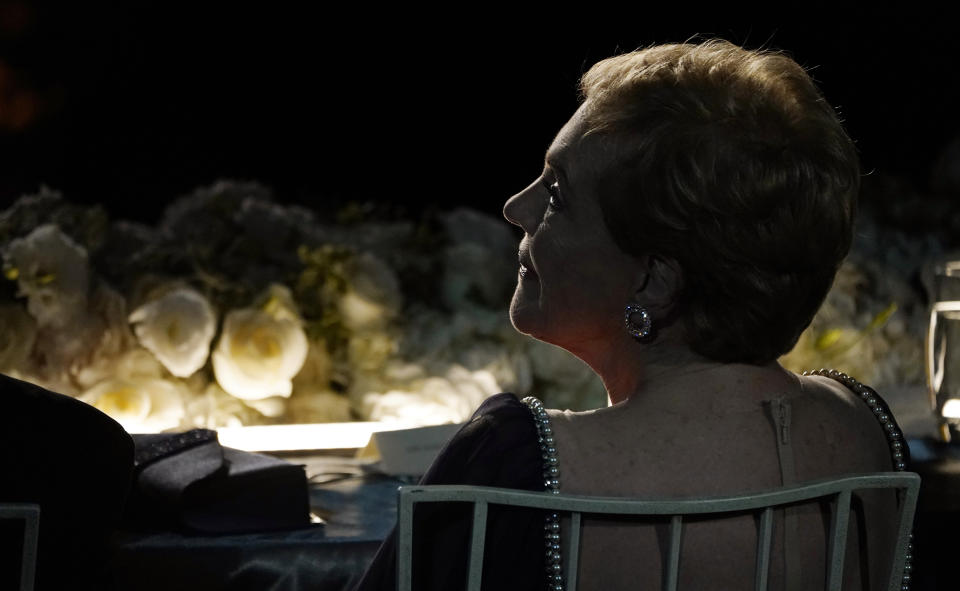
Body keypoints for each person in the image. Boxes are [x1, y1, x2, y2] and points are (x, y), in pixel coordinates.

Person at [355, 39, 906, 591]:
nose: (515, 209)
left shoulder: (514, 462)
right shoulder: (866, 427)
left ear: (656, 280)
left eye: (557, 196)